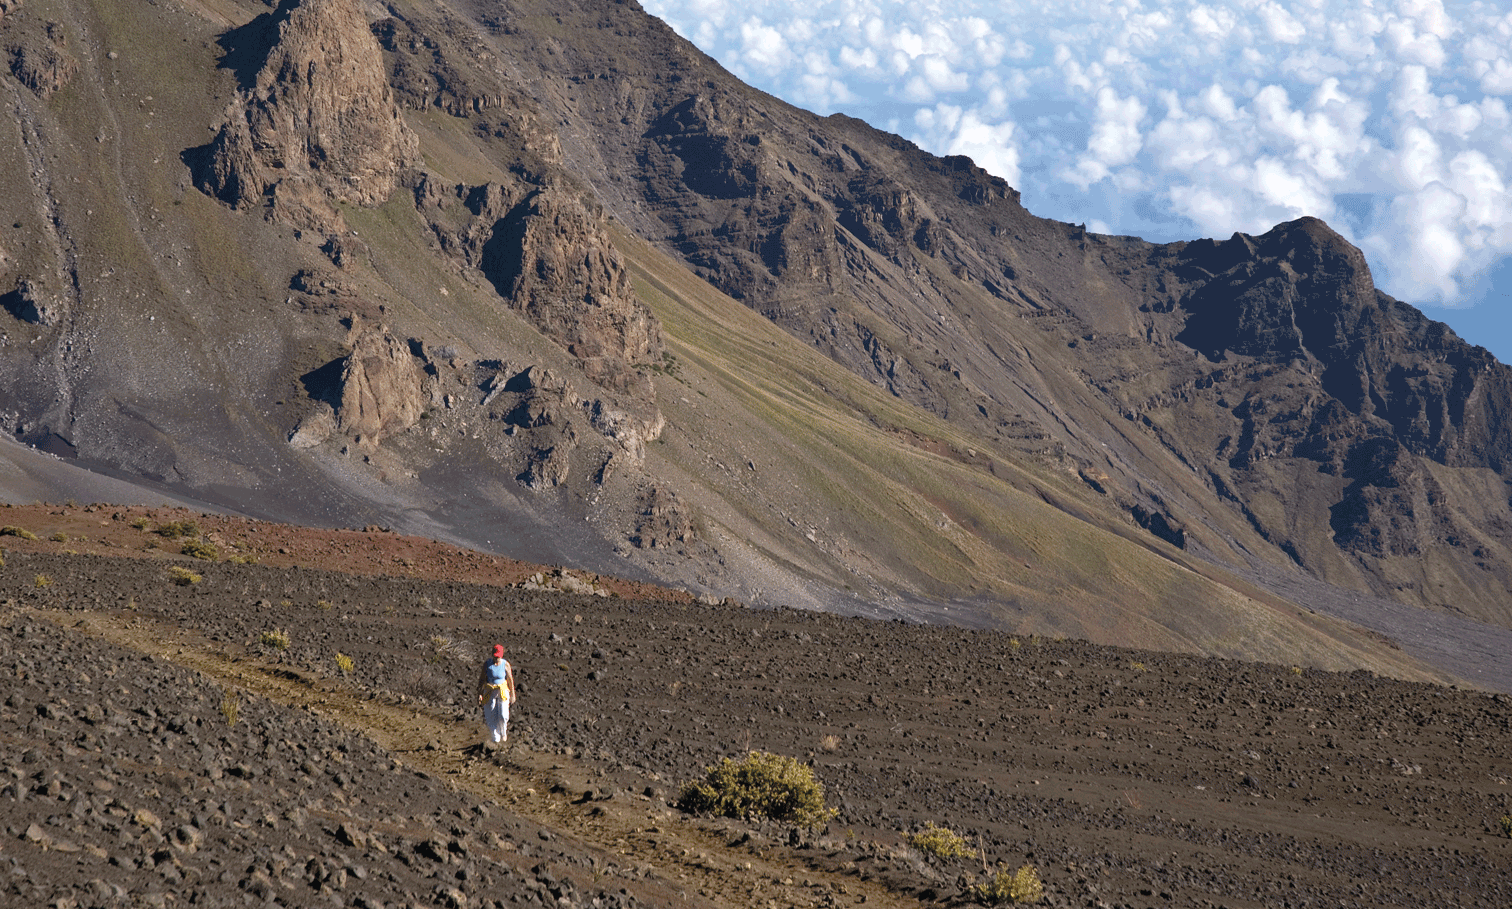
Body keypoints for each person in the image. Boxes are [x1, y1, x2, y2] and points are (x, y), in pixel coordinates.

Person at [477, 644, 516, 748]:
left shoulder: (505, 664)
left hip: (502, 691)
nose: (496, 659)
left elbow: (510, 679)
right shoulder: (487, 664)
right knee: (491, 714)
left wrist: (512, 694)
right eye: (495, 656)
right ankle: (495, 738)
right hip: (490, 691)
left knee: (503, 714)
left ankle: (503, 732)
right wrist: (479, 693)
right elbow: (482, 679)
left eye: (498, 657)